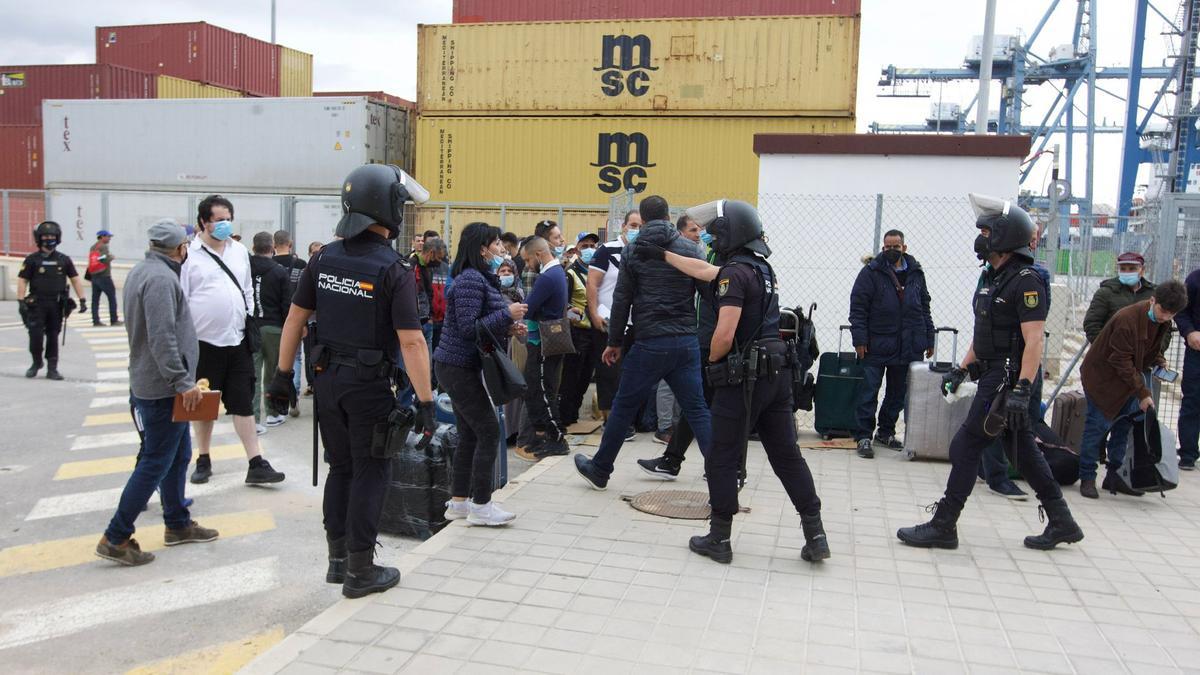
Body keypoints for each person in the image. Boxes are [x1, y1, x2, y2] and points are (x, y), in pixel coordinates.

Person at [267, 164, 438, 598]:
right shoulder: (393, 268)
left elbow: (295, 318)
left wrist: (282, 377)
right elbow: (413, 341)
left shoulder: (324, 257)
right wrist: (426, 401)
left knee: (340, 469)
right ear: (387, 208)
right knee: (371, 471)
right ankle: (361, 570)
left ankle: (338, 559)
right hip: (369, 388)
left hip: (327, 382)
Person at [630, 199, 829, 565]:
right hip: (777, 376)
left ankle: (719, 538)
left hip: (745, 380)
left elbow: (724, 335)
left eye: (715, 232)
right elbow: (705, 271)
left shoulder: (733, 274)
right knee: (787, 456)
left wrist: (709, 364)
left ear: (731, 234)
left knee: (722, 457)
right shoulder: (760, 268)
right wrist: (663, 255)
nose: (709, 237)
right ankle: (815, 534)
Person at [897, 194, 1084, 551]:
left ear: (1004, 236)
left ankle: (944, 524)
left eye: (986, 231)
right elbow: (983, 335)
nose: (981, 237)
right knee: (1023, 451)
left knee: (966, 446)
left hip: (1006, 380)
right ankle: (1062, 521)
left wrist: (1022, 389)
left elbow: (1033, 342)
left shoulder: (1027, 280)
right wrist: (962, 370)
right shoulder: (991, 277)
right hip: (992, 374)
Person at [96, 219, 218, 566]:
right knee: (154, 463)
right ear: (180, 249)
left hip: (154, 382)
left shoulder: (142, 270)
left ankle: (177, 523)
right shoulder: (162, 279)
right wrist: (182, 382)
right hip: (163, 388)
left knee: (179, 455)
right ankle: (116, 536)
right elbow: (162, 337)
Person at [573, 195, 712, 490]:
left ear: (645, 221)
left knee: (624, 406)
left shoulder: (634, 249)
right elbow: (708, 294)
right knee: (697, 408)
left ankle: (600, 469)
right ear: (669, 217)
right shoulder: (691, 248)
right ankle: (723, 473)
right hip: (685, 341)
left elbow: (622, 299)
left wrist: (615, 341)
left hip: (650, 341)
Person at [182, 195, 285, 485]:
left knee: (243, 402)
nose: (225, 224)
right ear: (203, 221)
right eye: (218, 219)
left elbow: (247, 287)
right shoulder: (190, 255)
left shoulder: (239, 251)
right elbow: (183, 298)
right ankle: (203, 458)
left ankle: (256, 462)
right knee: (204, 406)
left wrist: (247, 315)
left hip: (237, 341)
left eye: (228, 218)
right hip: (204, 344)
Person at [434, 222, 527, 525]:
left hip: (461, 365)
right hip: (456, 366)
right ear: (482, 248)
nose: (502, 249)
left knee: (470, 434)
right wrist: (506, 314)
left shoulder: (480, 278)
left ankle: (460, 502)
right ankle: (482, 506)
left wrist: (508, 326)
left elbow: (480, 324)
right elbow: (467, 327)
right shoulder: (471, 280)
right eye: (497, 244)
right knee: (488, 430)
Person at [1079, 281, 1186, 497]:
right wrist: (1144, 393)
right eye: (1163, 311)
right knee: (1097, 427)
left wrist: (1158, 360)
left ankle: (1114, 476)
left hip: (1127, 382)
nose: (1165, 317)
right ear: (1153, 300)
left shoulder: (1162, 321)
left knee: (1123, 428)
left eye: (1171, 314)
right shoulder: (1127, 319)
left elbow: (1147, 348)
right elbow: (1121, 361)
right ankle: (1087, 477)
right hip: (1103, 379)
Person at [638, 214, 721, 480]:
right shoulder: (710, 254)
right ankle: (672, 460)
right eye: (697, 230)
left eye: (707, 231)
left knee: (710, 407)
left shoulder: (724, 259)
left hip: (715, 342)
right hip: (703, 340)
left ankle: (727, 469)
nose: (702, 235)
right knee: (696, 405)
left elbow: (703, 275)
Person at [848, 229, 934, 459]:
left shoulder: (916, 273)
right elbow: (858, 309)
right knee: (869, 391)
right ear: (882, 248)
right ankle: (864, 436)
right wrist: (860, 340)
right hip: (876, 344)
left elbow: (924, 306)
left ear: (904, 247)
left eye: (896, 247)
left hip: (908, 346)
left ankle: (885, 432)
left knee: (898, 393)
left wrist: (929, 337)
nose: (892, 251)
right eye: (888, 247)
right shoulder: (870, 273)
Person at [587, 210, 642, 438]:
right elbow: (592, 284)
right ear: (624, 226)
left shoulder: (644, 253)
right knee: (608, 373)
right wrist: (594, 314)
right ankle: (611, 422)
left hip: (635, 323)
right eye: (633, 224)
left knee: (630, 374)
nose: (636, 230)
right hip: (608, 321)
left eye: (641, 226)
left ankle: (626, 420)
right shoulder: (607, 250)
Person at [515, 236, 570, 460]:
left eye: (528, 260)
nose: (527, 266)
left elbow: (528, 307)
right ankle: (545, 435)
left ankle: (556, 438)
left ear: (538, 255)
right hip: (545, 339)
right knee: (536, 388)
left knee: (542, 391)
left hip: (544, 342)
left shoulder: (548, 277)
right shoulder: (556, 273)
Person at [17, 221, 87, 380]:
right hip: (37, 304)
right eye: (46, 236)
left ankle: (52, 368)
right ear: (39, 239)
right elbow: (22, 280)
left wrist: (82, 300)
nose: (49, 239)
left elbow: (75, 279)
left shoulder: (64, 260)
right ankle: (36, 362)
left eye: (52, 236)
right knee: (35, 335)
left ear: (58, 237)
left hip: (56, 304)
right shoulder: (32, 260)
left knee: (53, 335)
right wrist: (20, 301)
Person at [249, 232, 292, 428]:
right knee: (273, 372)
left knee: (253, 375)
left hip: (251, 326)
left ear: (253, 246)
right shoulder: (279, 271)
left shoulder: (245, 268)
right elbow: (286, 304)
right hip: (274, 327)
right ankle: (273, 412)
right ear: (272, 246)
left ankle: (253, 419)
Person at [559, 232, 600, 427]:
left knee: (585, 376)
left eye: (593, 245)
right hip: (577, 332)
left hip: (595, 332)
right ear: (577, 249)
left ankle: (574, 412)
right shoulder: (570, 273)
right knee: (571, 376)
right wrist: (571, 312)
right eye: (585, 246)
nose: (589, 249)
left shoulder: (598, 272)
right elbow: (562, 304)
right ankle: (565, 415)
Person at [1083, 252, 1158, 343]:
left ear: (1142, 270)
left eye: (1132, 269)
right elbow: (1092, 324)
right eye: (1123, 269)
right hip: (1112, 352)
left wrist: (1157, 350)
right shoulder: (1106, 292)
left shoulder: (1153, 293)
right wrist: (1105, 348)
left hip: (1145, 352)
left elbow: (1164, 324)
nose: (1127, 272)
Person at [274, 230, 308, 417]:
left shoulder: (269, 265)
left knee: (276, 362)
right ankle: (292, 399)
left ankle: (277, 399)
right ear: (290, 243)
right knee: (295, 358)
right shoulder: (300, 265)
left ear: (274, 244)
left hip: (272, 319)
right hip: (296, 318)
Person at [412, 236, 451, 356]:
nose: (440, 262)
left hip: (427, 322)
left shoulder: (428, 268)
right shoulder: (411, 266)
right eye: (439, 258)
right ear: (431, 253)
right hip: (414, 324)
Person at [1178, 264, 1200, 471]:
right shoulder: (1195, 279)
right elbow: (1181, 311)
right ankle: (1188, 454)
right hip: (1197, 352)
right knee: (1193, 401)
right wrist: (1190, 332)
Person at [88, 229, 121, 326]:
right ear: (102, 237)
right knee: (111, 297)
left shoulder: (93, 247)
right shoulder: (103, 247)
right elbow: (103, 259)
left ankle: (96, 320)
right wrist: (111, 257)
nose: (109, 238)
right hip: (104, 276)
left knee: (95, 299)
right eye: (108, 236)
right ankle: (114, 319)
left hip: (94, 276)